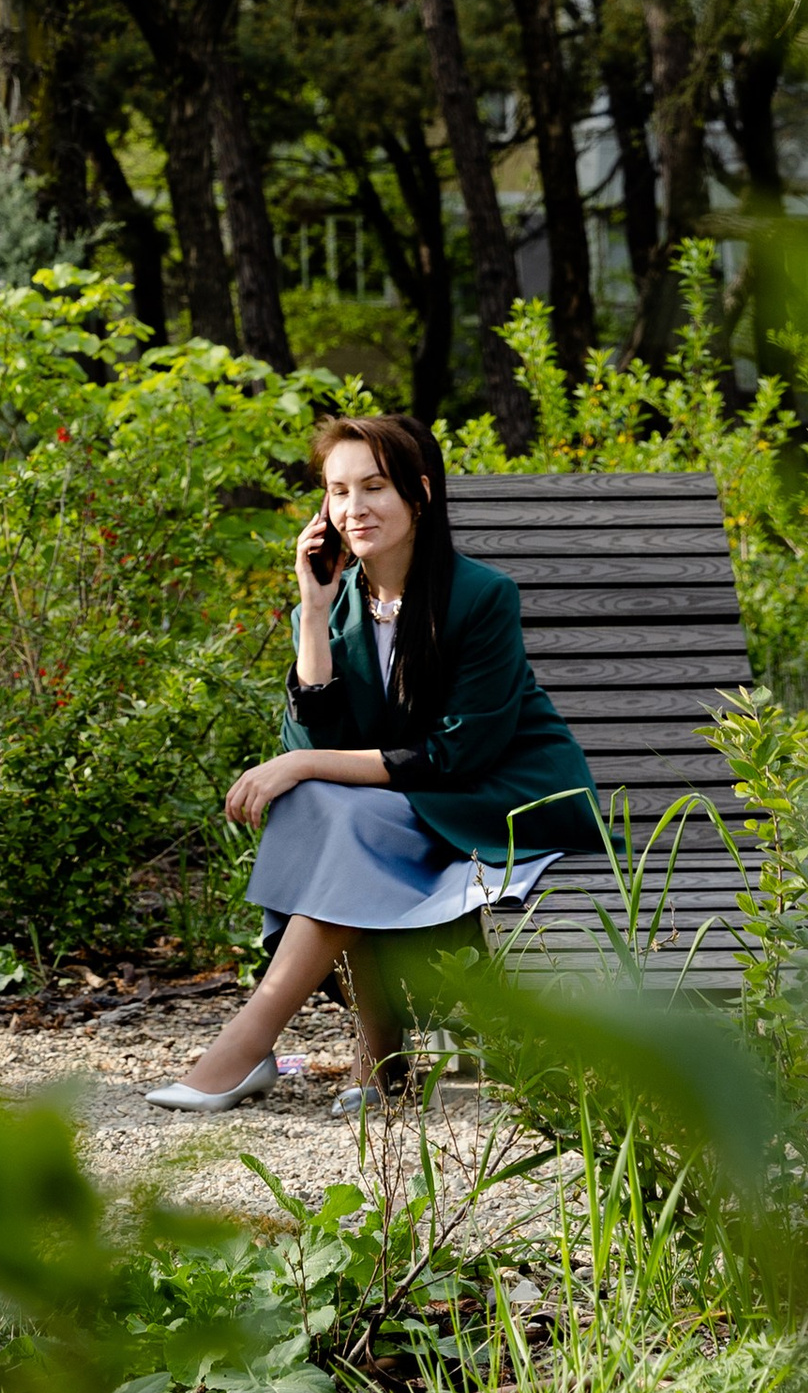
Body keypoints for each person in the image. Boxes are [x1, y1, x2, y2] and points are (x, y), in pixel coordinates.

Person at [148, 412, 601, 1118]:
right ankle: (373, 1050)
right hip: (399, 809)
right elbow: (314, 734)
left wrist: (301, 765)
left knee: (333, 808)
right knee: (324, 806)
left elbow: (456, 754)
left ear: (419, 493)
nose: (353, 509)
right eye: (337, 491)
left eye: (374, 487)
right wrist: (311, 607)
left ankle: (254, 1043)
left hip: (496, 801)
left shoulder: (481, 596)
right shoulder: (343, 601)